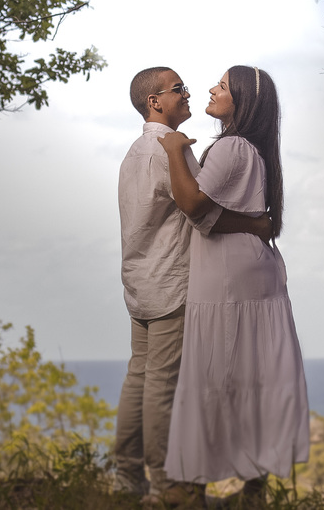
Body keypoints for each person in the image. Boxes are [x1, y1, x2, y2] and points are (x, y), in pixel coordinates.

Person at [116, 67, 270, 508]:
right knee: (164, 386)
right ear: (154, 101)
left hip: (140, 283)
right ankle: (168, 487)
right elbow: (202, 214)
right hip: (172, 283)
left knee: (139, 379)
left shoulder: (134, 151)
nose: (187, 94)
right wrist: (256, 225)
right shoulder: (170, 151)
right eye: (178, 89)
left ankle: (126, 476)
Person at [157, 65, 309, 506]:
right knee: (253, 374)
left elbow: (191, 204)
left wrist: (172, 149)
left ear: (241, 102)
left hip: (228, 276)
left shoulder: (231, 148)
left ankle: (194, 486)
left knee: (215, 374)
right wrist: (255, 222)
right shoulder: (252, 150)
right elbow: (225, 217)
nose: (210, 89)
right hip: (250, 270)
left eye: (221, 86)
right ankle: (252, 484)